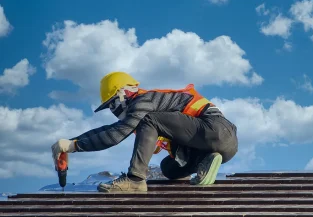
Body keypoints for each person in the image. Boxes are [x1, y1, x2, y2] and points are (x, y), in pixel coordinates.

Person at [51, 71, 238, 193]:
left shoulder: (144, 101)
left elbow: (116, 134)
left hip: (216, 129)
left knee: (149, 119)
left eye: (112, 104)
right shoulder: (146, 104)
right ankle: (205, 162)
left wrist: (75, 146)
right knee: (169, 168)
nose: (113, 110)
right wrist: (72, 142)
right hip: (218, 144)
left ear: (123, 94)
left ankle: (135, 179)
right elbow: (110, 130)